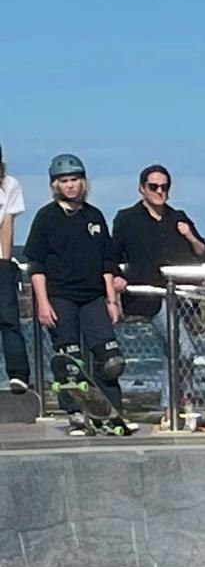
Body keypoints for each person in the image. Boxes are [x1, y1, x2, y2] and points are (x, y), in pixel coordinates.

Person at [23, 154, 129, 436]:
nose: (70, 186)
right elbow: (36, 264)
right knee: (70, 363)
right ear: (55, 185)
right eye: (64, 181)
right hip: (60, 297)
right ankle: (76, 416)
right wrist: (42, 303)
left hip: (93, 296)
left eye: (74, 180)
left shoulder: (93, 216)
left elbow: (107, 263)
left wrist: (111, 300)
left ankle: (111, 413)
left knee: (111, 360)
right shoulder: (46, 217)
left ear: (84, 182)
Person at [110, 164, 205, 417]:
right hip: (151, 297)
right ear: (142, 188)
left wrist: (189, 235)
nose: (159, 191)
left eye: (164, 187)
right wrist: (117, 280)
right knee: (184, 349)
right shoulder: (127, 219)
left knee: (171, 350)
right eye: (153, 186)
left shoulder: (178, 217)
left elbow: (202, 252)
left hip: (183, 295)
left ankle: (176, 404)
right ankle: (176, 401)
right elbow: (111, 255)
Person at [0, 144, 29, 396]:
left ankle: (18, 375)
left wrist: (6, 261)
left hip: (0, 262)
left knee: (9, 320)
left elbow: (7, 225)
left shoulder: (10, 184)